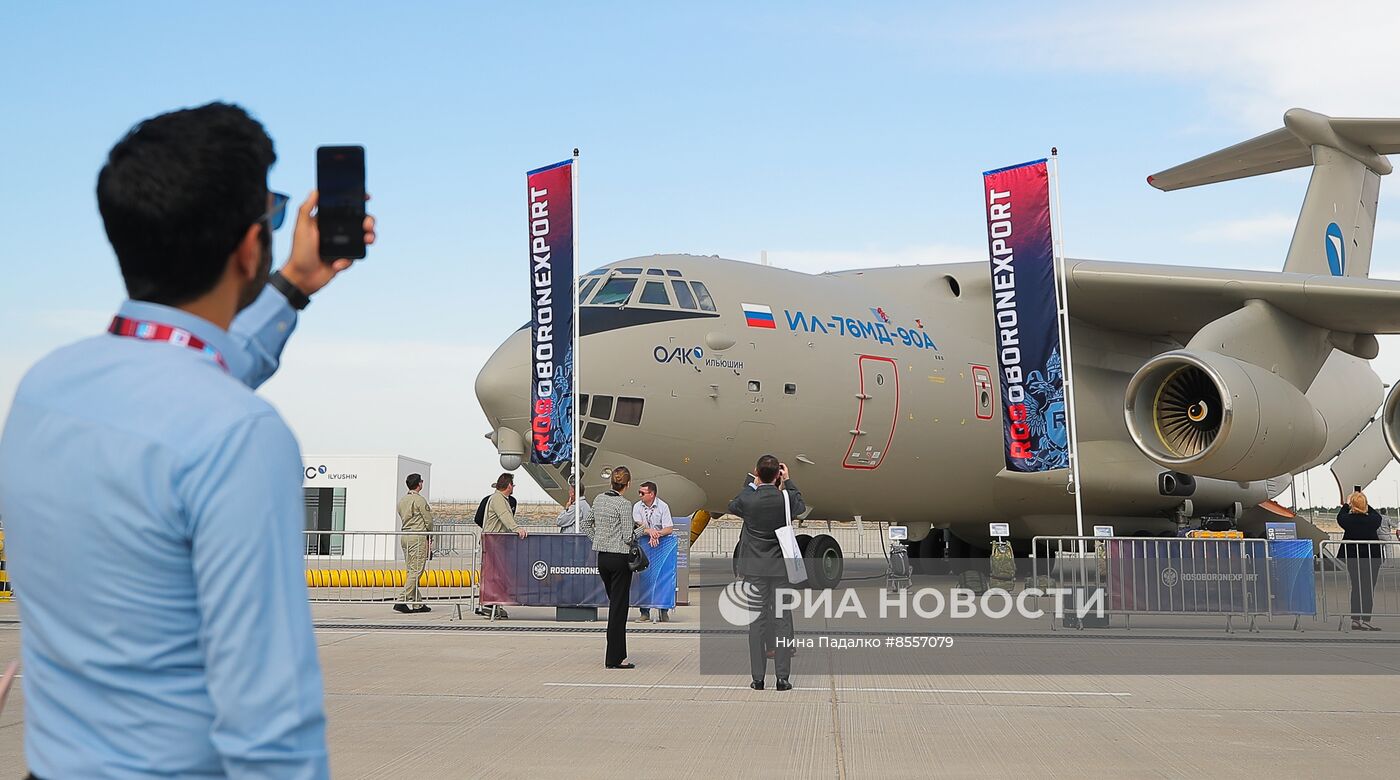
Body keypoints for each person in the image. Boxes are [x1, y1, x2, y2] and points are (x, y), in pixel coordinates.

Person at [0, 102, 375, 778]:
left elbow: (192, 364)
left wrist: (293, 285)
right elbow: (273, 732)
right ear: (249, 246)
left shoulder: (43, 389)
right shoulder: (239, 436)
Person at [729, 455, 804, 691]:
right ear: (778, 475)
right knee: (782, 621)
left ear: (757, 473)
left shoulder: (749, 499)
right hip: (781, 569)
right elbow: (799, 505)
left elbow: (734, 504)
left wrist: (753, 482)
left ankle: (758, 678)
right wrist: (788, 482)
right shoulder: (786, 498)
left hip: (755, 569)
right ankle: (782, 678)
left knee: (757, 623)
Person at [584, 466, 638, 668]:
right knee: (618, 609)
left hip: (603, 558)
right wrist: (642, 528)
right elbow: (627, 536)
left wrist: (597, 540)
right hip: (619, 559)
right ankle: (615, 658)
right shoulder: (624, 504)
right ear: (628, 484)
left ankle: (615, 655)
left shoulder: (598, 499)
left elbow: (586, 524)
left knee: (615, 605)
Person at [478, 473, 527, 619]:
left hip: (497, 542)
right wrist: (517, 529)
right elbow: (505, 516)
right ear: (509, 485)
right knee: (493, 574)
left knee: (497, 574)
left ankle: (494, 604)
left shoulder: (500, 498)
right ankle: (489, 603)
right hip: (493, 542)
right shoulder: (498, 499)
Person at [1338, 490, 1385, 631]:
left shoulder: (1348, 521)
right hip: (1371, 559)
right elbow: (1376, 515)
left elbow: (1340, 516)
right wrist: (1363, 502)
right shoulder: (1373, 520)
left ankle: (1355, 619)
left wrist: (1347, 504)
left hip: (1354, 558)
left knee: (1356, 587)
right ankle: (1365, 619)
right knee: (1368, 588)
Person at [634, 481, 674, 623]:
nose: (639, 495)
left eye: (642, 493)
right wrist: (649, 532)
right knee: (644, 578)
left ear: (652, 494)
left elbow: (669, 528)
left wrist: (656, 534)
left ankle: (664, 610)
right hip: (644, 546)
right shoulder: (637, 506)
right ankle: (645, 612)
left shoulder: (663, 506)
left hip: (661, 545)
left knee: (662, 577)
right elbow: (638, 526)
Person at [395, 473, 435, 614]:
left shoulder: (402, 501)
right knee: (417, 570)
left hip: (405, 535)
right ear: (419, 484)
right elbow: (428, 520)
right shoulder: (420, 501)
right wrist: (430, 533)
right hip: (417, 536)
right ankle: (402, 600)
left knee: (411, 571)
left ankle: (417, 603)